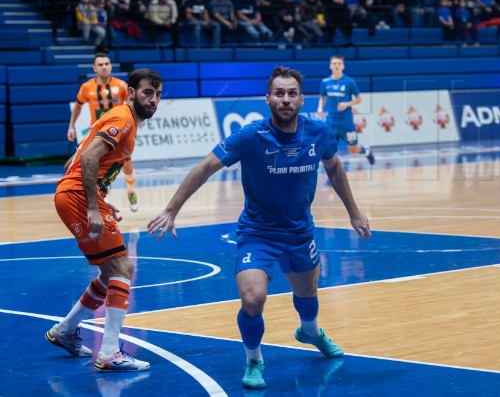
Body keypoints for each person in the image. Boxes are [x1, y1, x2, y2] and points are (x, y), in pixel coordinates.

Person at [147, 66, 370, 389]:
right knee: (253, 299)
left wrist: (354, 213)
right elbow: (206, 166)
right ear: (267, 99)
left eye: (292, 94)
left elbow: (334, 169)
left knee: (307, 294)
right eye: (279, 93)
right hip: (257, 234)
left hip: (299, 232)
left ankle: (310, 332)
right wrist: (171, 209)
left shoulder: (318, 132)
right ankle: (254, 360)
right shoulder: (251, 136)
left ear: (301, 99)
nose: (285, 99)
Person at [48, 68, 162, 371]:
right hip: (75, 197)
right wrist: (92, 207)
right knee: (123, 267)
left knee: (109, 272)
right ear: (132, 92)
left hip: (75, 193)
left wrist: (100, 199)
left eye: (158, 94)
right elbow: (86, 159)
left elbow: (73, 160)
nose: (154, 100)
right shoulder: (123, 119)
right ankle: (110, 351)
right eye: (148, 92)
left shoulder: (122, 119)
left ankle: (65, 331)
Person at [67, 53, 141, 211]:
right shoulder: (87, 87)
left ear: (111, 66)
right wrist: (71, 126)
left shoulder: (121, 85)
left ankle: (131, 191)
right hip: (97, 134)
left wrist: (135, 123)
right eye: (100, 65)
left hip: (120, 134)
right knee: (90, 165)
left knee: (126, 166)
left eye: (107, 64)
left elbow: (132, 104)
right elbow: (78, 106)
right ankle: (97, 200)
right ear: (94, 68)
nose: (104, 67)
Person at [317, 56, 376, 165]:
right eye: (334, 63)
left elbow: (359, 99)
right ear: (330, 66)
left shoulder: (349, 82)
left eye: (339, 63)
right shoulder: (325, 82)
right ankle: (331, 178)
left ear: (343, 66)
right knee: (329, 150)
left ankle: (366, 151)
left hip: (346, 121)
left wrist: (347, 104)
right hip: (331, 121)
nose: (336, 66)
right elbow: (322, 97)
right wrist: (320, 107)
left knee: (353, 149)